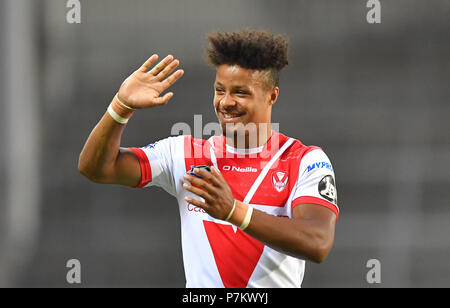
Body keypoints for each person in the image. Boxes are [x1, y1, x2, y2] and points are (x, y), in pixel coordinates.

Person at [78, 29, 339, 288]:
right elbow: (96, 168)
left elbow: (318, 243)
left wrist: (233, 211)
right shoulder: (183, 153)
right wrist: (121, 106)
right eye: (219, 90)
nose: (225, 102)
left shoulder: (304, 160)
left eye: (240, 92)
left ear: (272, 95)